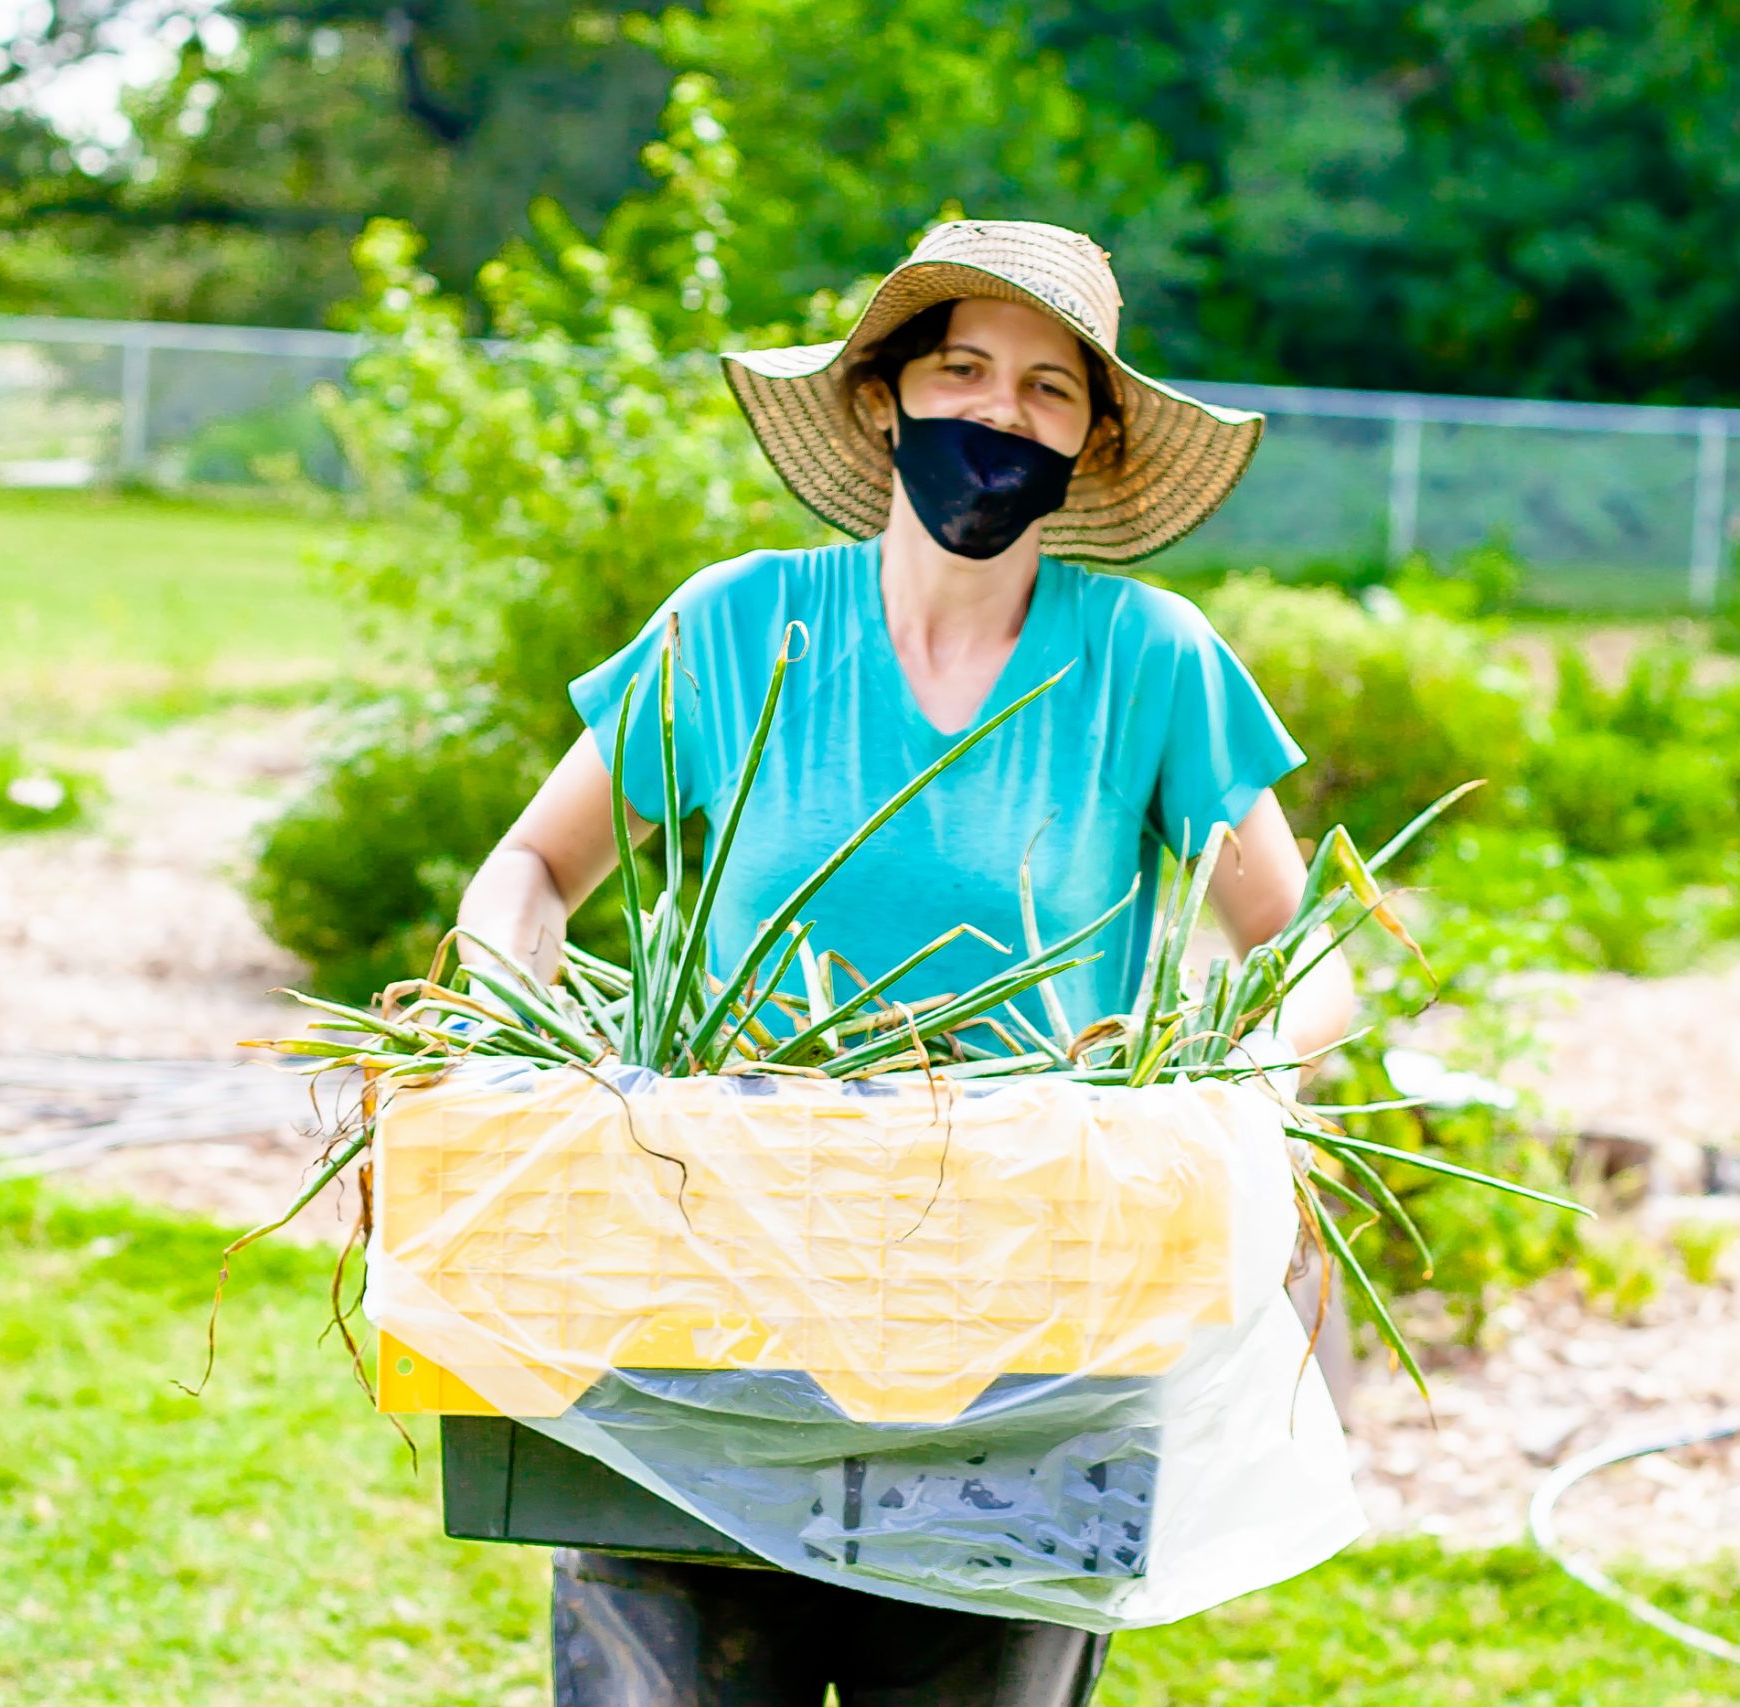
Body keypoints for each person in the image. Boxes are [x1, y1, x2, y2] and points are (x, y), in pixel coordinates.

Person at [457, 220, 1355, 1707]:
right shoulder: (741, 625)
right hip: (712, 1278)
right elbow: (532, 866)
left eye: (1049, 389)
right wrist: (511, 1025)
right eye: (964, 370)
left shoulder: (1150, 656)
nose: (1001, 414)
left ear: (1092, 434)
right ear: (883, 398)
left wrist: (1234, 1077)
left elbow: (1310, 946)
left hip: (1023, 1304)